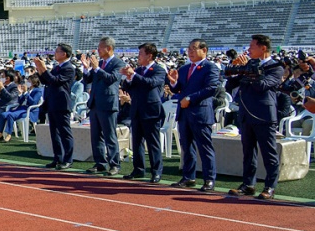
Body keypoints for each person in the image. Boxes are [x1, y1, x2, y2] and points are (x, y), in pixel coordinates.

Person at [226, 34, 285, 199]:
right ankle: (248, 184)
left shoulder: (276, 67)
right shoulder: (249, 64)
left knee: (268, 153)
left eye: (252, 47)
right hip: (246, 114)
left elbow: (263, 86)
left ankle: (270, 186)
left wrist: (251, 72)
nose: (248, 50)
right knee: (248, 152)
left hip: (264, 115)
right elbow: (230, 84)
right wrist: (234, 69)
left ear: (263, 48)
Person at [168, 39, 220, 192]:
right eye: (188, 49)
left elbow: (211, 88)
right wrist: (173, 83)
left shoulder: (210, 68)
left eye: (194, 48)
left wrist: (190, 99)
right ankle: (188, 177)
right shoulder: (184, 69)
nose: (190, 51)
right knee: (187, 147)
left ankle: (209, 178)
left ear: (204, 50)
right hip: (184, 113)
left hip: (200, 112)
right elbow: (180, 88)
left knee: (204, 147)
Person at [120, 43, 166, 183]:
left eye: (141, 53)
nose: (138, 56)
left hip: (151, 111)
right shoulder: (138, 70)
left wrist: (133, 75)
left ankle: (156, 171)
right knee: (137, 142)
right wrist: (128, 78)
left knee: (153, 143)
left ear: (149, 55)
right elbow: (129, 87)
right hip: (137, 109)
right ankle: (138, 169)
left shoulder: (158, 70)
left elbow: (150, 83)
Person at [81, 37, 123, 176]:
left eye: (100, 47)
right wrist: (86, 69)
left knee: (110, 136)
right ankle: (100, 163)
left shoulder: (118, 63)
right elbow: (88, 80)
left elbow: (111, 79)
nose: (98, 50)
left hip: (108, 104)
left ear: (109, 48)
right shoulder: (98, 63)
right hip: (95, 104)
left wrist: (97, 68)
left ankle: (114, 164)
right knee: (96, 136)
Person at [35, 44, 76, 169]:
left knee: (64, 132)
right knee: (55, 133)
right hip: (52, 102)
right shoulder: (58, 67)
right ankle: (57, 158)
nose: (55, 53)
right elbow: (46, 81)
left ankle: (68, 159)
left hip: (61, 103)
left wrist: (44, 69)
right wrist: (40, 71)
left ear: (64, 54)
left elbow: (55, 81)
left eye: (57, 51)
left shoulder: (69, 68)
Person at [0, 74, 43, 142]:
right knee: (3, 114)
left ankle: (9, 134)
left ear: (33, 82)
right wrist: (20, 94)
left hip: (30, 111)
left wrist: (25, 93)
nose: (27, 83)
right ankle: (0, 133)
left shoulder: (38, 91)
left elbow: (33, 103)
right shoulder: (27, 90)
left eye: (29, 81)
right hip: (21, 108)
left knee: (11, 115)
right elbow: (20, 102)